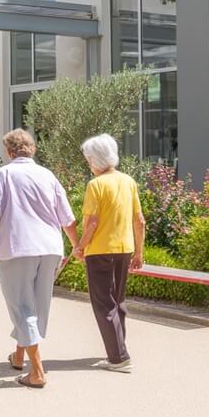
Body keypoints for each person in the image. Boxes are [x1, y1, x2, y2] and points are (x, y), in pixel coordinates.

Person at [0, 129, 77, 389]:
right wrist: (77, 247)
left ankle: (37, 372)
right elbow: (67, 219)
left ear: (9, 152)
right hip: (50, 248)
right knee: (37, 306)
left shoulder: (4, 175)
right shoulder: (48, 175)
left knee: (22, 307)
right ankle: (19, 356)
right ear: (33, 149)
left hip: (19, 248)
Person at [72, 133, 146, 373]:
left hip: (100, 250)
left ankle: (119, 357)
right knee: (118, 301)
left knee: (104, 304)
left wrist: (80, 247)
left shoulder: (95, 185)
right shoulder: (128, 181)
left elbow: (91, 222)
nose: (88, 164)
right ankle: (118, 349)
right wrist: (139, 252)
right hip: (125, 249)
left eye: (88, 160)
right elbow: (139, 221)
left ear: (95, 160)